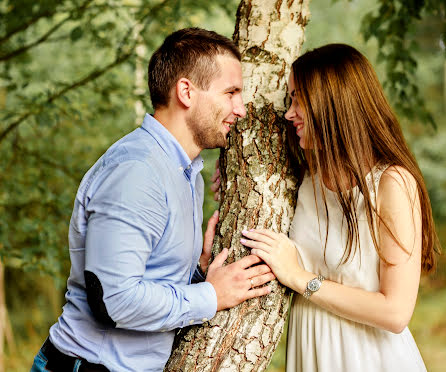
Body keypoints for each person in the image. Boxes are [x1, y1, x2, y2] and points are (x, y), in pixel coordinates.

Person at [31, 28, 275, 372]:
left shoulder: (186, 172)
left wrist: (199, 270)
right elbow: (113, 300)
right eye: (231, 92)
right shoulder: (137, 172)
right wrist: (211, 296)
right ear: (186, 92)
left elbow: (151, 276)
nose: (241, 109)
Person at [216, 44, 440, 371]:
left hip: (372, 360)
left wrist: (299, 277)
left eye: (297, 98)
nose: (289, 113)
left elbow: (395, 313)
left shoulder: (392, 184)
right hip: (313, 355)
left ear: (331, 101)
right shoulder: (309, 177)